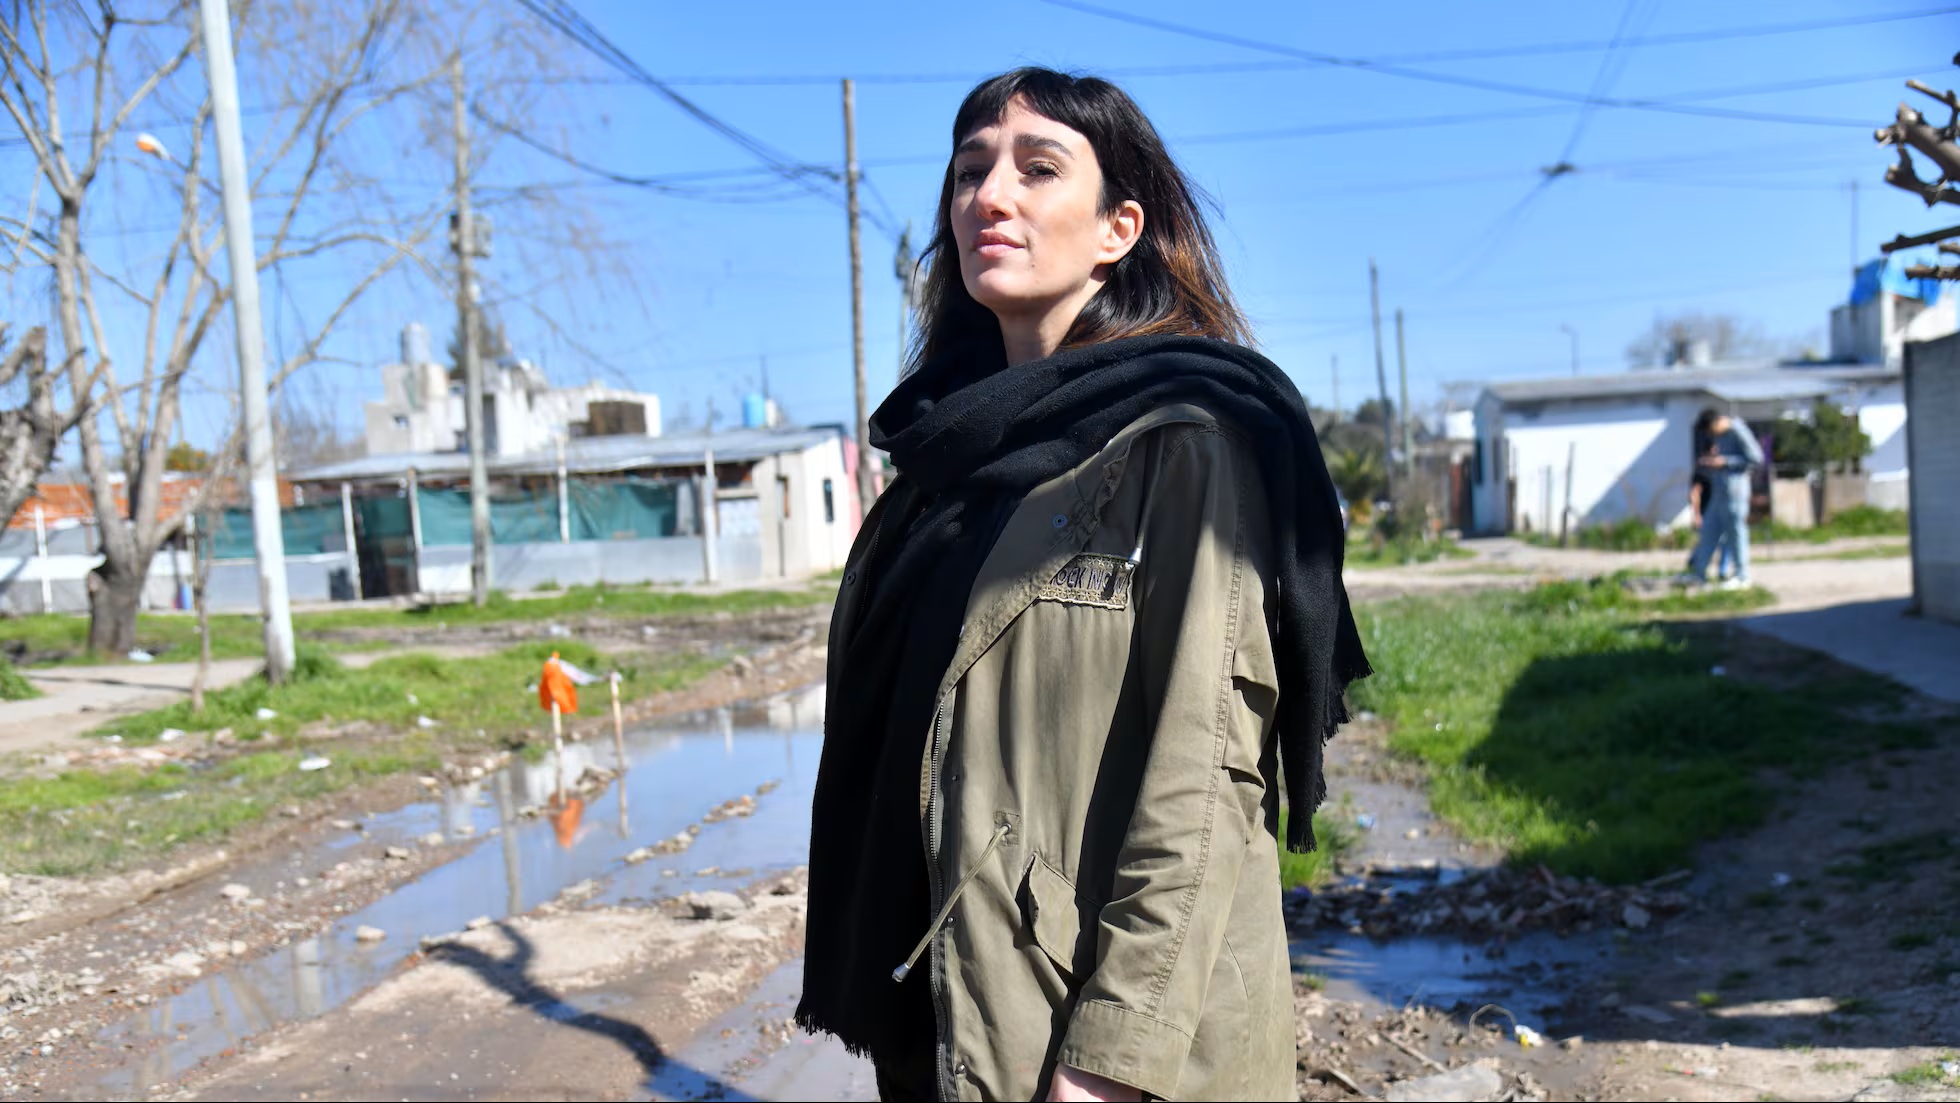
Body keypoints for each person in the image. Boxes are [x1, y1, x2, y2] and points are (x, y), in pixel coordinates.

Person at [796, 68, 1370, 1103]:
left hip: (1100, 1044)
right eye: (969, 172)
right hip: (955, 1013)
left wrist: (1112, 1055)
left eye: (1037, 168)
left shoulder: (1181, 446)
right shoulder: (939, 469)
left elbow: (1204, 772)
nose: (989, 196)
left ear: (1118, 228)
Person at [1680, 408, 1763, 589]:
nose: (1712, 435)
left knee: (1736, 534)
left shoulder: (1738, 430)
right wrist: (1712, 461)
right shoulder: (1721, 436)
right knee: (1708, 532)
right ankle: (1698, 574)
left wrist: (1725, 462)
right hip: (1719, 493)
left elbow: (1756, 458)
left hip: (1735, 493)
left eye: (1711, 430)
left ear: (1717, 422)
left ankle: (1742, 576)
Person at [1685, 418, 1738, 582]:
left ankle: (1722, 570)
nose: (1717, 450)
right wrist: (1697, 515)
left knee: (1726, 541)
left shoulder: (1720, 468)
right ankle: (1696, 564)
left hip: (1721, 510)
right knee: (1709, 542)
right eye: (1715, 448)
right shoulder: (1702, 469)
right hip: (1707, 512)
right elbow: (1694, 493)